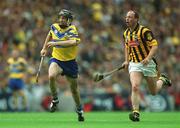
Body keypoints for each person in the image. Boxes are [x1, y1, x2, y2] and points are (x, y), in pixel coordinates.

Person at [122, 10, 171, 122]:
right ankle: (136, 112)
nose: (127, 19)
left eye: (130, 17)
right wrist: (126, 60)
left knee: (153, 92)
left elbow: (154, 46)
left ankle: (162, 79)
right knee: (135, 86)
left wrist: (148, 58)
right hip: (135, 64)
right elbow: (126, 47)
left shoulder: (145, 31)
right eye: (126, 17)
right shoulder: (126, 33)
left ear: (136, 19)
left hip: (148, 63)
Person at [40, 9, 84, 121]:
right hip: (57, 60)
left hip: (70, 63)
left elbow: (72, 42)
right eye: (60, 17)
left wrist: (55, 43)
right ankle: (55, 100)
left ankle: (79, 109)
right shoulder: (54, 26)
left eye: (64, 18)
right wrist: (44, 48)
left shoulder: (72, 29)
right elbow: (49, 35)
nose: (61, 19)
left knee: (74, 90)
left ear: (69, 20)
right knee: (51, 76)